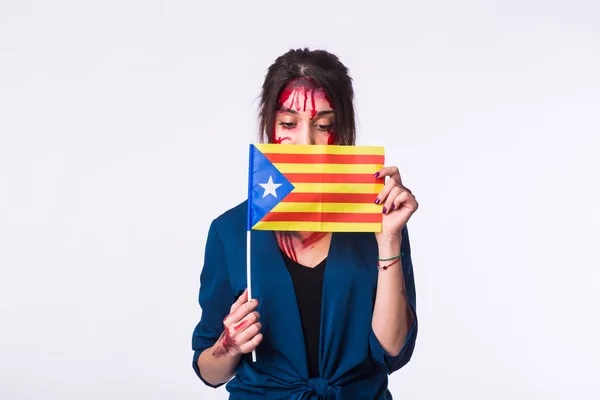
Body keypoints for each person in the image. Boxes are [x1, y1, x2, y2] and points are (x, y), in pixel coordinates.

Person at [191, 48, 419, 399]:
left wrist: (389, 240)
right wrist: (229, 345)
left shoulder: (379, 223)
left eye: (323, 125)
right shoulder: (231, 231)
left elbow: (393, 350)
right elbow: (209, 371)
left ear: (342, 130)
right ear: (270, 125)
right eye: (288, 124)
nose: (307, 143)